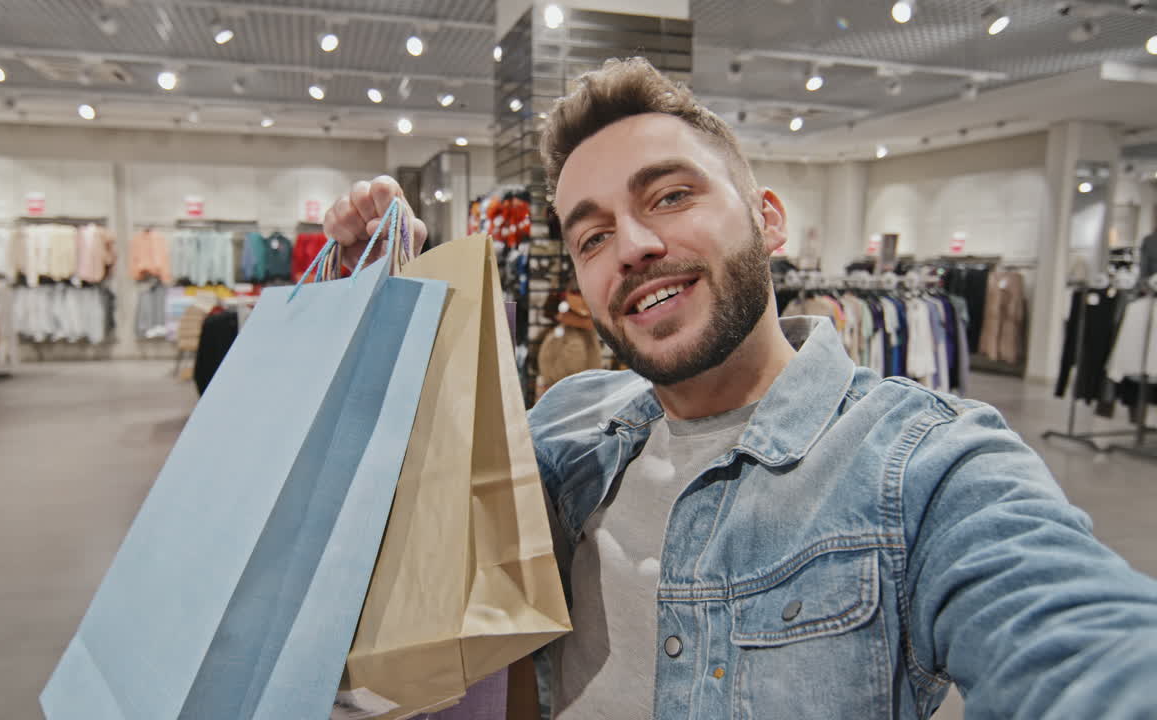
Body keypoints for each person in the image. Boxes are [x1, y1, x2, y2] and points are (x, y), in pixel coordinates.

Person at [324, 57, 1157, 719]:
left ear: (768, 218)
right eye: (593, 237)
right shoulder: (564, 428)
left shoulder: (923, 468)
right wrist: (375, 311)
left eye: (670, 196)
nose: (633, 246)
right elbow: (401, 506)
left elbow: (1079, 642)